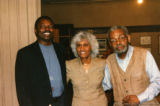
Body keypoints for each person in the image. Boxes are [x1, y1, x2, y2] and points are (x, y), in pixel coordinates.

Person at [15, 16, 68, 106]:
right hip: (38, 102)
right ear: (36, 30)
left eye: (50, 26)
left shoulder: (61, 50)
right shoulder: (24, 54)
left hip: (61, 102)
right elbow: (21, 87)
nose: (47, 29)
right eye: (42, 26)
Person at [103, 25, 160, 106]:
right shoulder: (109, 60)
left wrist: (140, 98)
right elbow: (105, 84)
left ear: (128, 38)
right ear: (110, 44)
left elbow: (158, 81)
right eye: (113, 40)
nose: (118, 42)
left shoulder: (144, 54)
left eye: (121, 38)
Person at [66, 31, 108, 106]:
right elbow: (60, 85)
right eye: (79, 45)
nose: (82, 48)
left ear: (91, 47)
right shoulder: (69, 65)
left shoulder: (102, 63)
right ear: (75, 48)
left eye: (85, 45)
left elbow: (110, 84)